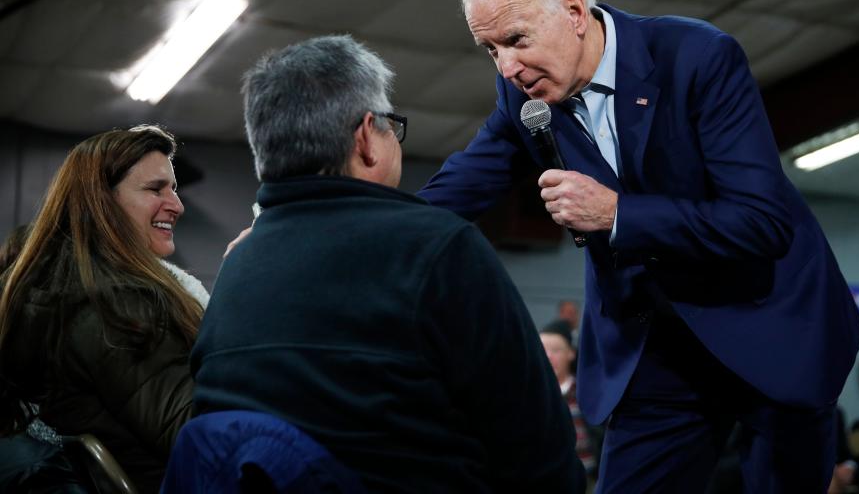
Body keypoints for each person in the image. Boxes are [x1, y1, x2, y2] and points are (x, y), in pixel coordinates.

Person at [418, 0, 859, 491]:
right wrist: (354, 225)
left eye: (516, 39)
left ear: (575, 12)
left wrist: (617, 213)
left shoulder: (697, 56)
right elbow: (455, 189)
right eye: (490, 50)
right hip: (656, 348)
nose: (507, 66)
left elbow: (761, 222)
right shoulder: (523, 97)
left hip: (766, 324)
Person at [190, 35, 585, 492]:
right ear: (365, 139)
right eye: (390, 126)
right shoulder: (440, 248)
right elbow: (541, 455)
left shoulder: (236, 267)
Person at [0, 126, 209, 493]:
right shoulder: (114, 302)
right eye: (155, 189)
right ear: (102, 201)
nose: (177, 205)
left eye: (173, 188)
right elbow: (198, 434)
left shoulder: (54, 287)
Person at [540, 321, 597, 481]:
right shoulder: (531, 392)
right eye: (543, 350)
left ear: (571, 353)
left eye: (556, 350)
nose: (548, 356)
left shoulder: (585, 392)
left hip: (587, 476)